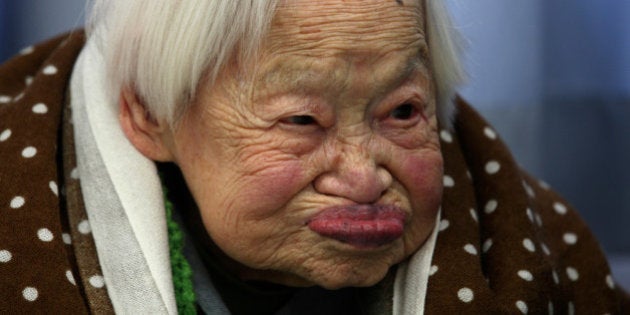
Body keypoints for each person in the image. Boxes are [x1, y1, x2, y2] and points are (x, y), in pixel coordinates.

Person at [0, 0, 628, 314]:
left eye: (403, 112)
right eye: (301, 120)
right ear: (149, 116)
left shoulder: (540, 248)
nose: (363, 176)